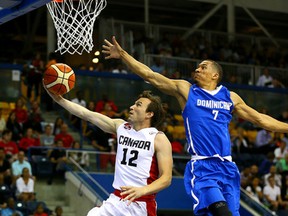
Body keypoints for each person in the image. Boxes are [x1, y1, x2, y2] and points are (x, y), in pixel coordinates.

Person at [102, 36, 288, 216]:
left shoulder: (230, 98)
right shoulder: (187, 91)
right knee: (222, 212)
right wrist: (124, 55)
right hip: (203, 166)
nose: (197, 69)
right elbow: (151, 76)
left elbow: (261, 120)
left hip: (227, 167)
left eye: (203, 67)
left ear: (215, 75)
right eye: (198, 66)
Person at [43, 85, 173, 216]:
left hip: (140, 204)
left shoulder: (158, 139)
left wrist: (143, 190)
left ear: (149, 114)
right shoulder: (121, 127)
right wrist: (58, 99)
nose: (131, 107)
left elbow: (166, 178)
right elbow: (86, 114)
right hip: (116, 200)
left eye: (138, 105)